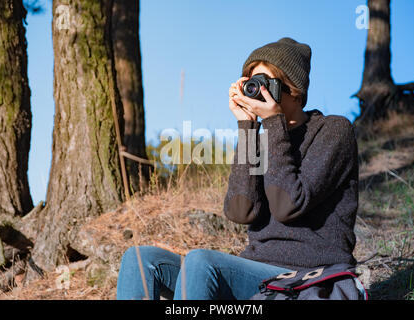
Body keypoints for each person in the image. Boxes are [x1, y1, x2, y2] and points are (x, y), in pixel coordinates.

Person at [116, 37, 360, 300]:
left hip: (306, 278)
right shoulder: (262, 136)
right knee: (140, 260)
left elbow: (287, 205)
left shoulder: (333, 131)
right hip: (255, 275)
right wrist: (247, 128)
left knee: (201, 262)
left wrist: (274, 123)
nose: (259, 91)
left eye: (268, 84)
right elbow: (241, 211)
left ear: (295, 91)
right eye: (253, 83)